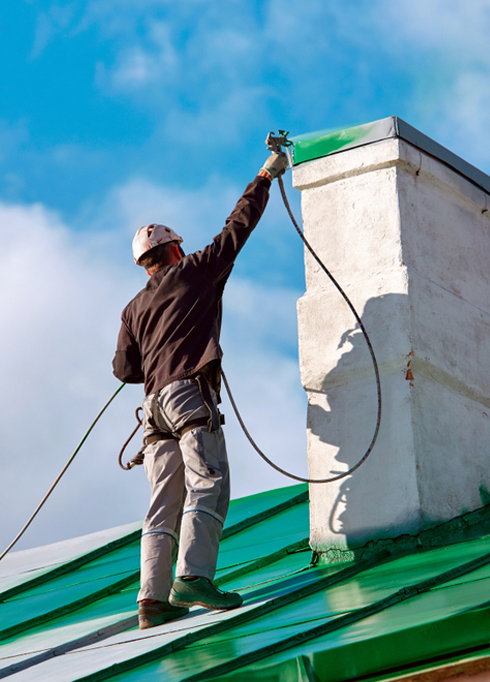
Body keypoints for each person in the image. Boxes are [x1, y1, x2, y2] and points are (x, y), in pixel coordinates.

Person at [112, 147, 289, 629]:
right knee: (208, 483)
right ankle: (192, 577)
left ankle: (151, 597)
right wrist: (264, 177)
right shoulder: (194, 271)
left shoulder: (132, 309)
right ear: (173, 250)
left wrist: (157, 351)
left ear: (141, 263)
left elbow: (123, 368)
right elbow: (236, 231)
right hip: (188, 396)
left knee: (162, 502)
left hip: (153, 409)